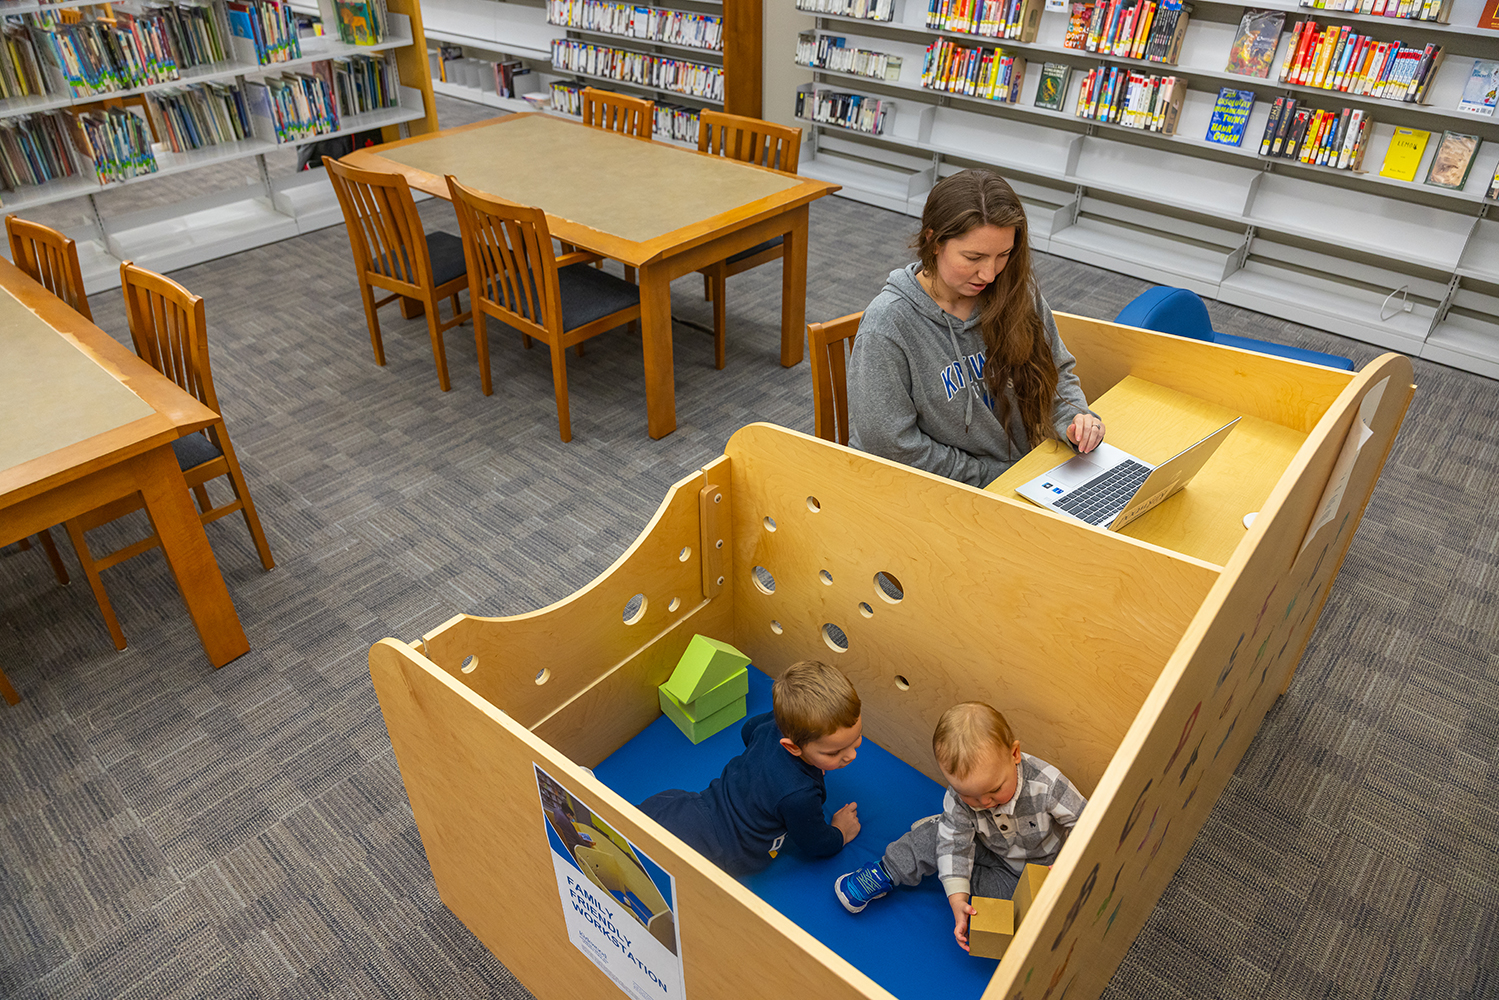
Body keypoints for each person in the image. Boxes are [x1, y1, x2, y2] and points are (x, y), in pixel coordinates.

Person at [847, 169, 1105, 487]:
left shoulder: (1014, 293)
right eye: (973, 257)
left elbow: (1057, 372)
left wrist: (1076, 419)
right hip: (932, 488)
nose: (989, 274)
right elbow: (891, 445)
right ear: (933, 241)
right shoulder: (888, 326)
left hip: (1016, 475)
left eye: (1003, 255)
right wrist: (989, 476)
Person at [832, 702, 1086, 952]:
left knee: (1019, 918)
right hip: (985, 844)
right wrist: (957, 901)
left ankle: (943, 833)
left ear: (1015, 754)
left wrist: (1068, 863)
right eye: (970, 796)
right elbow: (955, 848)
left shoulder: (1047, 784)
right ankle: (887, 870)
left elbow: (1086, 824)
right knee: (943, 843)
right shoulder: (958, 799)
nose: (985, 802)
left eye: (995, 790)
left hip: (1038, 869)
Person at [639, 660, 864, 877]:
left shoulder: (777, 724)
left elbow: (748, 730)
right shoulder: (799, 795)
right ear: (793, 747)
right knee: (664, 872)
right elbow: (816, 843)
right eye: (834, 753)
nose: (851, 755)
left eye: (856, 738)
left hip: (687, 805)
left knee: (638, 826)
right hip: (728, 850)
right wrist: (840, 832)